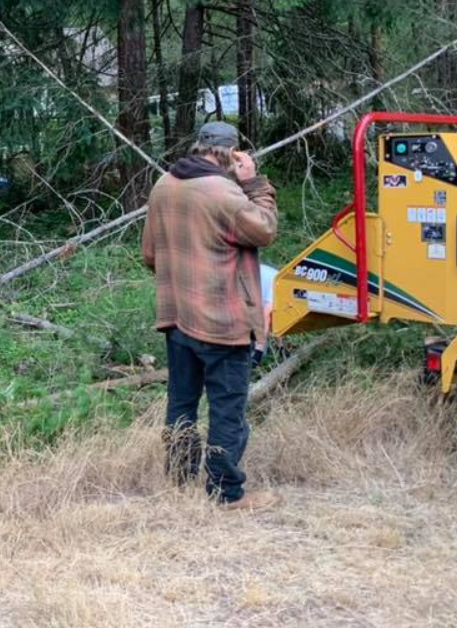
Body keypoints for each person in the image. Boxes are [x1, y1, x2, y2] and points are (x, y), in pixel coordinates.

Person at [140, 121, 281, 511]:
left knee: (181, 404)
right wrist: (255, 184)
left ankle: (180, 479)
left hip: (178, 319)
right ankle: (227, 493)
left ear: (198, 146)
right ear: (232, 153)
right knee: (226, 411)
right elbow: (266, 229)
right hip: (224, 324)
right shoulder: (227, 193)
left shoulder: (163, 185)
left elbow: (150, 254)